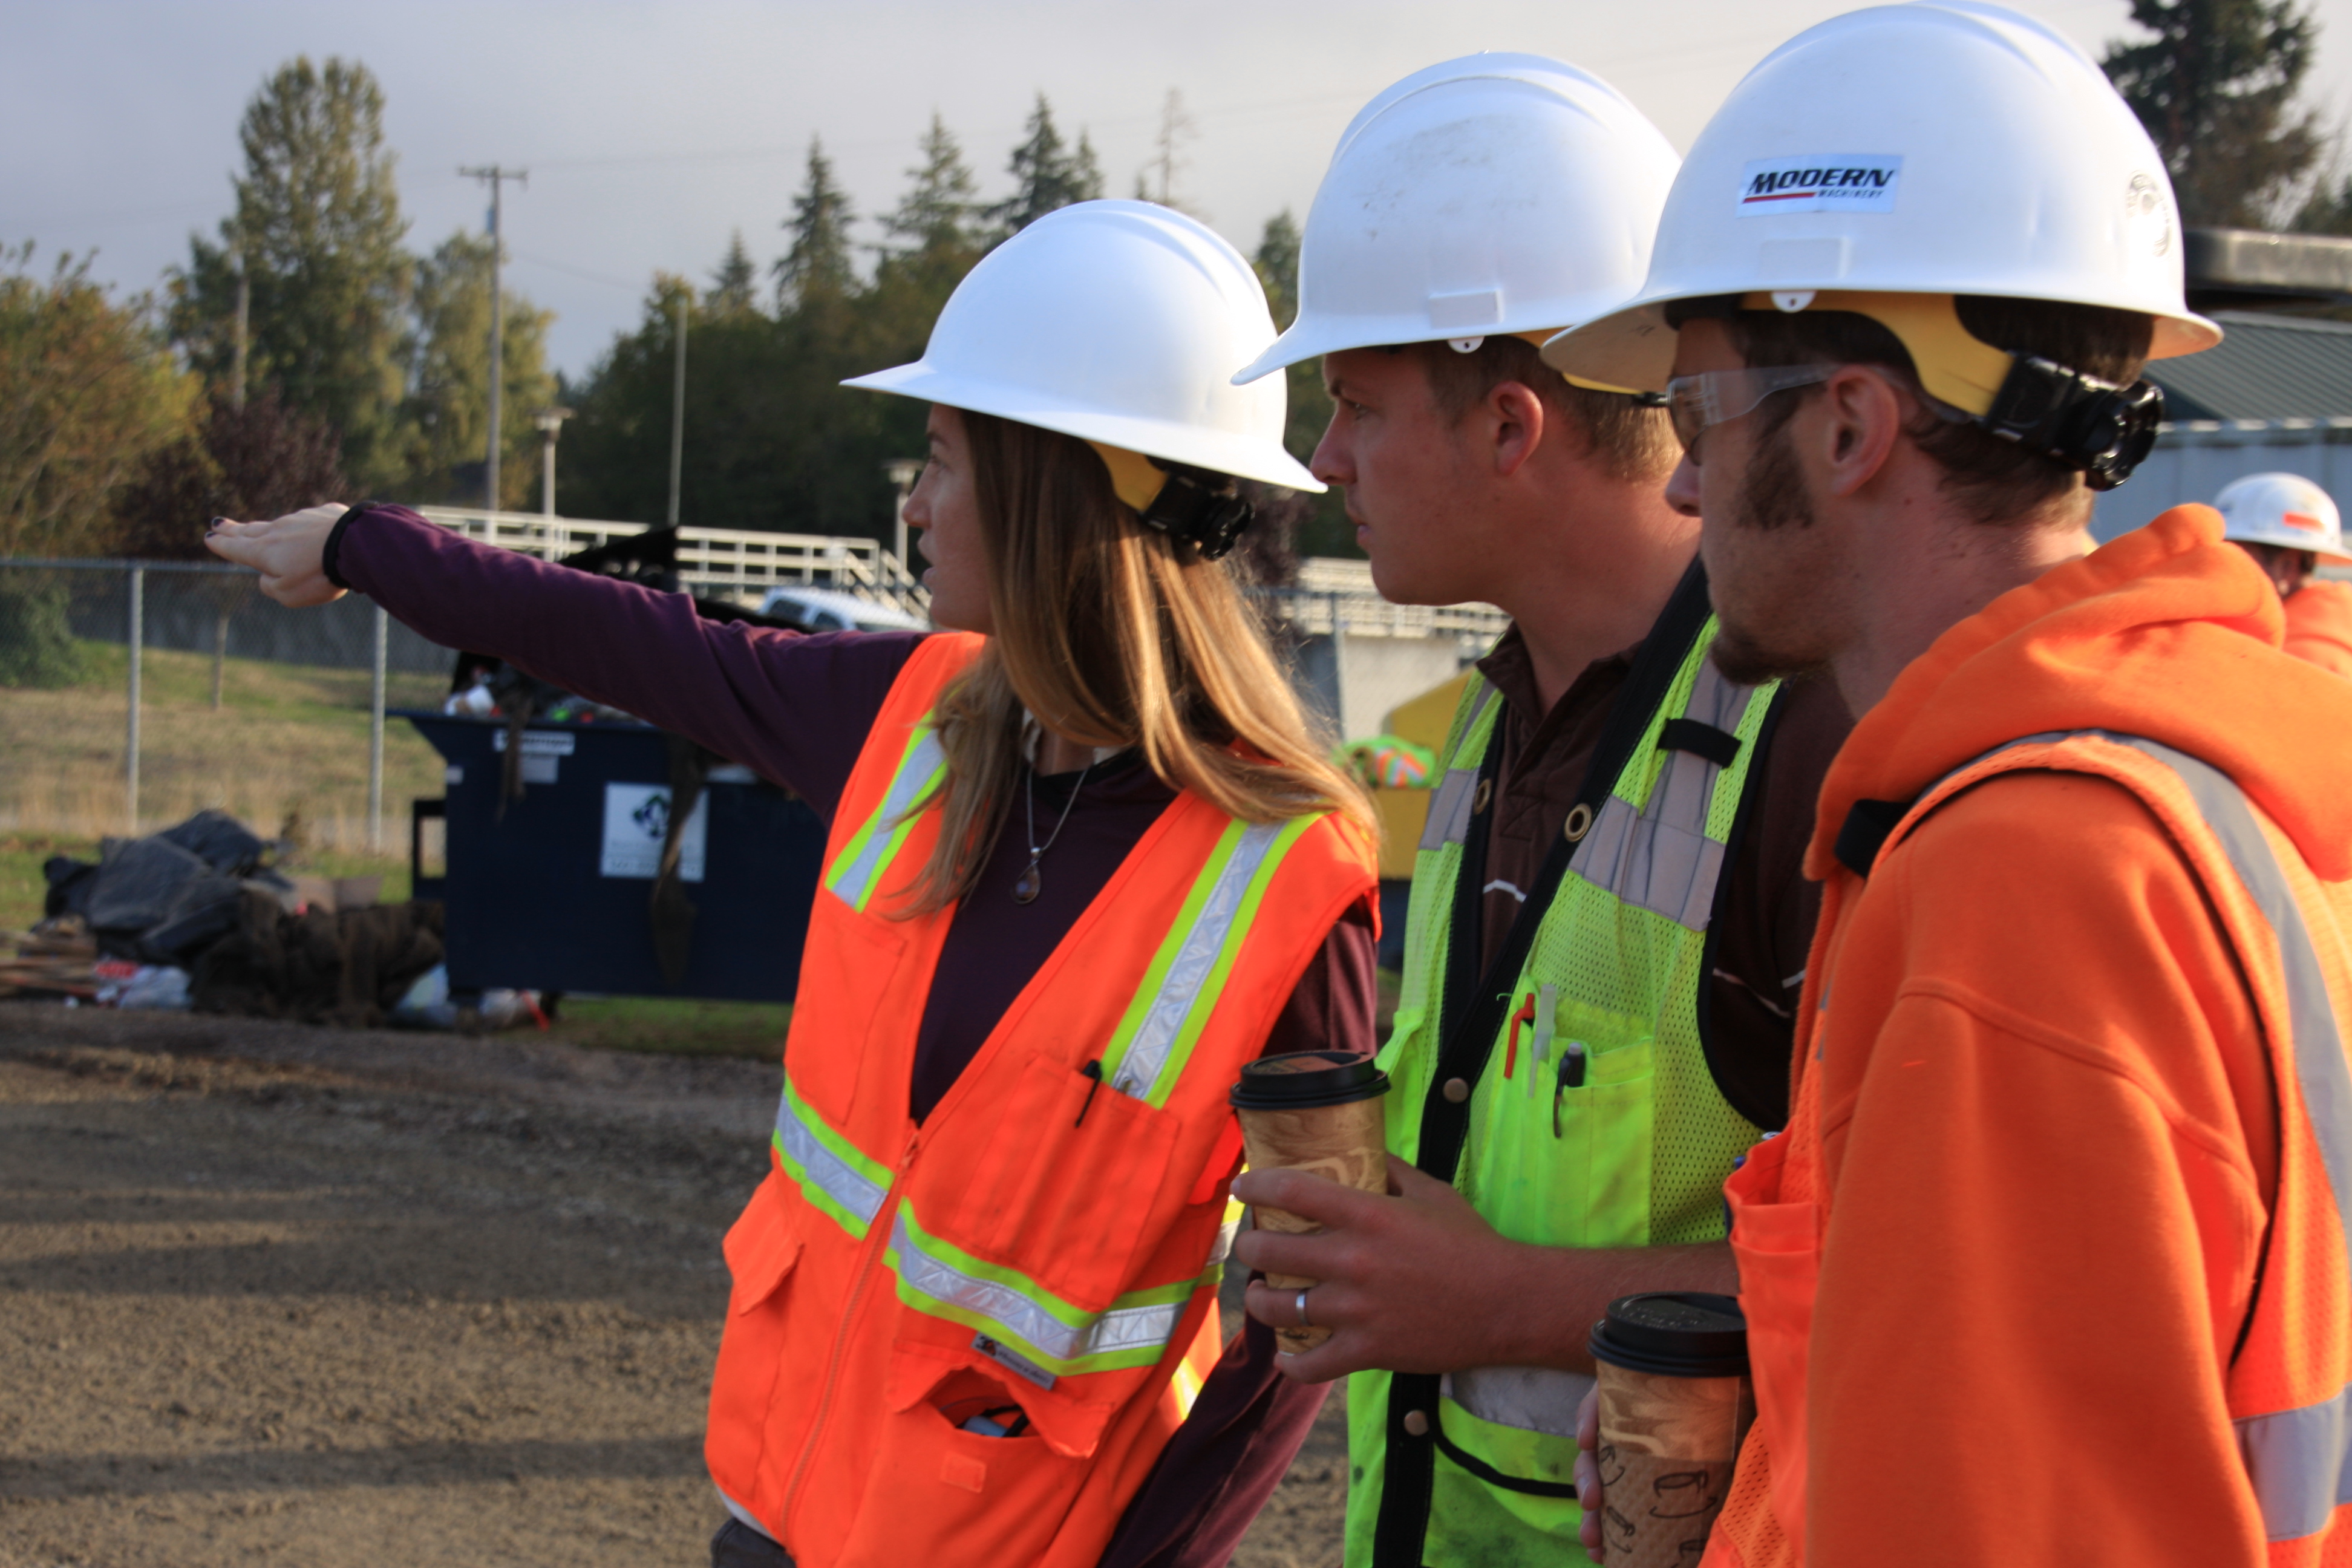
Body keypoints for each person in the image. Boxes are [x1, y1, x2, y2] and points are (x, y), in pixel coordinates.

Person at [206, 200, 1382, 1568]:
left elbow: (1302, 1336)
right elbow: (635, 640)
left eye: (943, 460)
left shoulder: (1289, 875)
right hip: (782, 1519)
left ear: (1057, 489)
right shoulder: (911, 716)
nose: (911, 505)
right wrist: (364, 543)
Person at [1546, 4, 2352, 1563]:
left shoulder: (2023, 882)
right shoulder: (2164, 795)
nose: (1684, 480)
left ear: (1848, 422)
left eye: (1698, 409)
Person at [1218, 56, 1849, 1566]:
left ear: (1512, 427)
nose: (1322, 460)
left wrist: (1495, 1297)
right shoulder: (1495, 714)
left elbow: (1904, 1282)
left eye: (1356, 406)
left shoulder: (1805, 746)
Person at [2215, 471, 2352, 677]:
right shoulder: (2330, 625)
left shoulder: (2303, 657)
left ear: (2288, 565)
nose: (2217, 569)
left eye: (2237, 556)